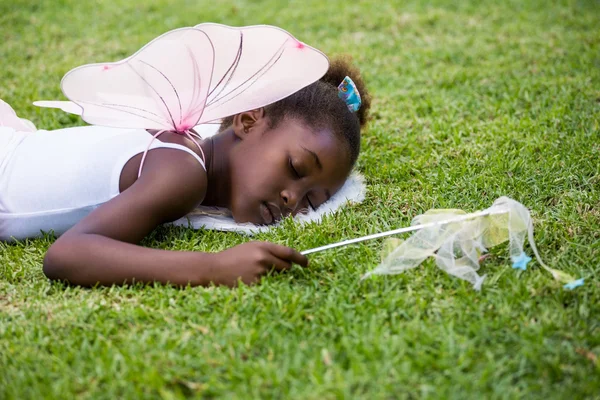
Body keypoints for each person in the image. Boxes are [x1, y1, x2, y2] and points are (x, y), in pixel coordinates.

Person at [0, 58, 371, 287]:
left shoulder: (198, 146)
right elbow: (66, 256)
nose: (292, 198)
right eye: (296, 167)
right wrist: (212, 268)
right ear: (246, 120)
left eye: (312, 199)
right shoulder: (183, 173)